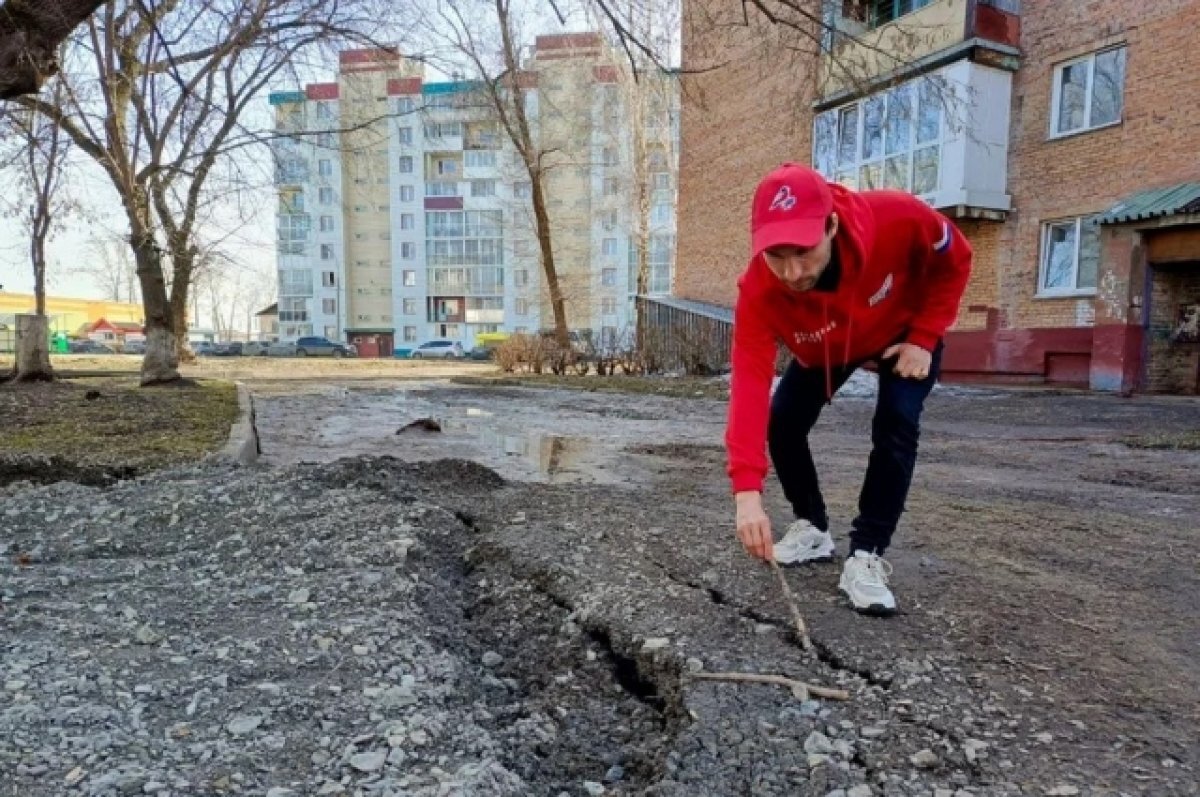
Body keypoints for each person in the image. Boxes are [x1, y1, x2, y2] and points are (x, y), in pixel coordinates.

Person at [726, 162, 972, 616]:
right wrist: (746, 493)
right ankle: (813, 527)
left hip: (902, 333)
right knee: (783, 420)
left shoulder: (898, 216)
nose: (792, 272)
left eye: (804, 252)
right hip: (829, 344)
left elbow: (957, 257)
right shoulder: (758, 292)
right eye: (776, 255)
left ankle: (867, 553)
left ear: (832, 225)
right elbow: (748, 385)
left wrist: (925, 336)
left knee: (897, 419)